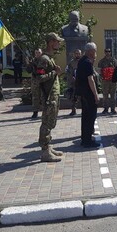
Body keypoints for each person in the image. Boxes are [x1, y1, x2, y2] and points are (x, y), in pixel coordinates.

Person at [35, 33, 66, 162]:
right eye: (57, 42)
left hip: (53, 95)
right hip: (48, 96)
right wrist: (55, 73)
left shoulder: (50, 58)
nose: (59, 44)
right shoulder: (44, 59)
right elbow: (39, 78)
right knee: (47, 122)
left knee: (51, 122)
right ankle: (45, 151)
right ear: (51, 42)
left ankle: (48, 147)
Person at [76, 42, 100, 148]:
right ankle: (87, 140)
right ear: (90, 51)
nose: (95, 53)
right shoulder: (87, 62)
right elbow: (90, 79)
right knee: (90, 116)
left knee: (86, 116)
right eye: (95, 51)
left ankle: (85, 137)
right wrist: (95, 94)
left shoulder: (82, 61)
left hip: (83, 92)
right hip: (88, 93)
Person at [98, 48, 117, 114]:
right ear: (104, 52)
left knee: (113, 95)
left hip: (113, 81)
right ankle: (105, 108)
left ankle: (113, 109)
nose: (107, 53)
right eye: (106, 51)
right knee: (105, 95)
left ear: (110, 52)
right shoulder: (101, 61)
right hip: (105, 81)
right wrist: (101, 78)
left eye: (109, 51)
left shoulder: (114, 60)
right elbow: (99, 70)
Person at [27, 48, 43, 119]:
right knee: (35, 97)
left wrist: (35, 66)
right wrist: (29, 64)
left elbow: (43, 70)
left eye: (39, 52)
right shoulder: (32, 61)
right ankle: (35, 112)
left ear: (41, 53)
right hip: (35, 81)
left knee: (44, 97)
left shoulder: (44, 60)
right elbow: (28, 71)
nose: (37, 54)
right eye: (36, 53)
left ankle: (45, 112)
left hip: (43, 81)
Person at [65, 49, 82, 116]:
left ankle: (84, 110)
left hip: (82, 82)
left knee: (82, 97)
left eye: (78, 53)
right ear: (74, 54)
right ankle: (73, 110)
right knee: (73, 97)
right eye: (76, 53)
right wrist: (72, 77)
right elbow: (68, 72)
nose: (77, 55)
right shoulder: (71, 63)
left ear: (81, 54)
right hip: (74, 83)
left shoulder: (83, 62)